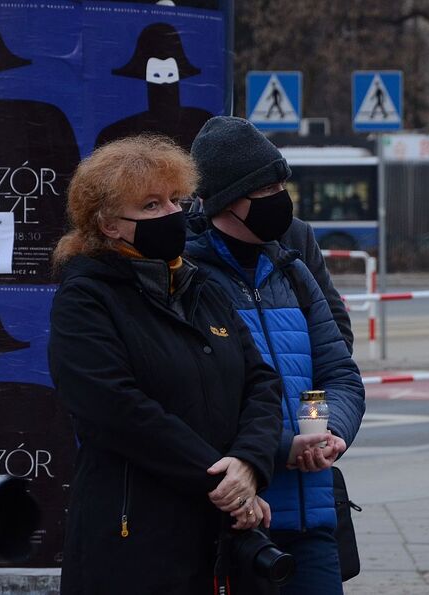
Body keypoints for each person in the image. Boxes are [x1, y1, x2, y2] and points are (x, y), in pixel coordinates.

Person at [48, 135, 283, 594]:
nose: (173, 214)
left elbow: (261, 383)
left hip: (220, 535)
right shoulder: (87, 298)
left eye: (176, 199)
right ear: (109, 225)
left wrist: (250, 464)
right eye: (151, 205)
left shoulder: (201, 288)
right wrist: (222, 478)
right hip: (135, 541)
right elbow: (113, 408)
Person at [186, 116, 366, 594]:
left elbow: (337, 373)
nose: (280, 199)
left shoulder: (292, 271)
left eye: (281, 184)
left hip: (312, 519)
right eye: (267, 189)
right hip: (238, 521)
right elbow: (194, 401)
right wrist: (280, 447)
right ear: (228, 199)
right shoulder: (189, 280)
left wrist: (328, 433)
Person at [187, 197, 355, 354]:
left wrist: (324, 381)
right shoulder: (184, 239)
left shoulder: (296, 234)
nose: (280, 195)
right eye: (267, 188)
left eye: (280, 185)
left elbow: (336, 326)